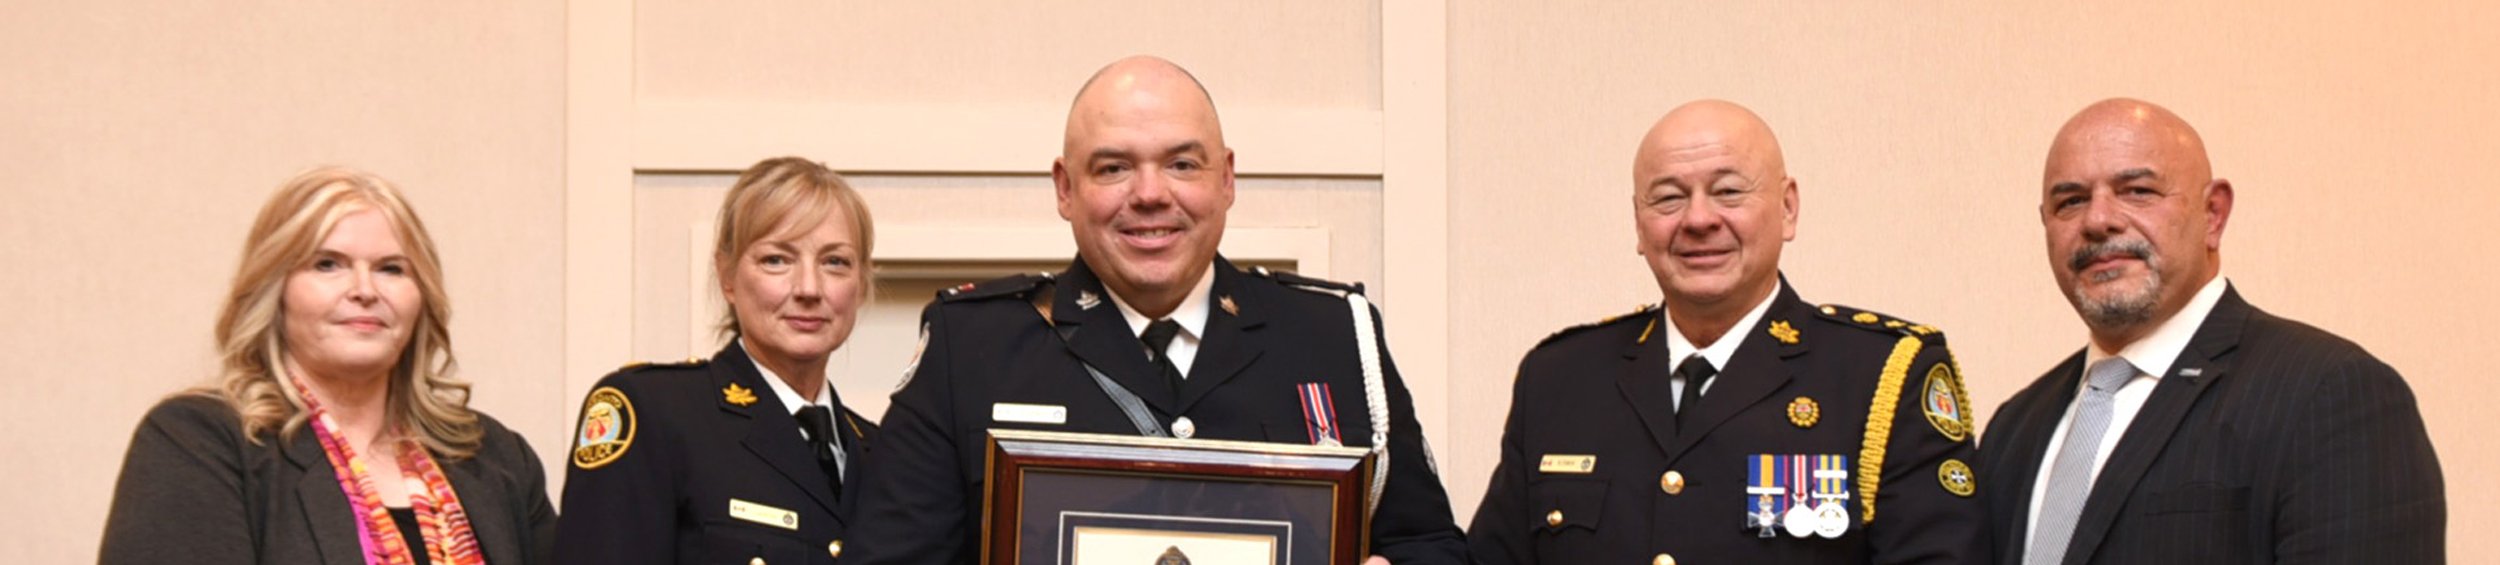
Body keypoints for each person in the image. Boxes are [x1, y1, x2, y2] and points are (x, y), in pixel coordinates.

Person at [840, 55, 1468, 565]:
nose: (1149, 194)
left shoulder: (1332, 335)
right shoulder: (972, 347)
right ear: (1065, 188)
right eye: (1114, 167)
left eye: (1181, 164)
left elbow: (1431, 546)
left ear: (1227, 180)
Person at [1469, 100, 1988, 564]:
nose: (1698, 219)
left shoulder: (1879, 374)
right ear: (1638, 223)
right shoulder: (1561, 378)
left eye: (1728, 192)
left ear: (1787, 207)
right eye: (1669, 198)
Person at [1978, 99, 2443, 564]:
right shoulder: (2014, 429)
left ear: (2213, 215)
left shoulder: (2329, 393)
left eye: (2137, 190)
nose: (2098, 220)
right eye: (2071, 201)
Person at [100, 167, 557, 564]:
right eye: (327, 265)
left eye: (391, 269)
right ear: (274, 291)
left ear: (424, 298)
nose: (364, 289)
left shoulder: (495, 456)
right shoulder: (201, 441)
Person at [555, 157, 879, 564]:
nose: (809, 288)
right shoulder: (654, 414)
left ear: (861, 283)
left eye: (836, 262)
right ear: (726, 275)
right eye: (776, 259)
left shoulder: (883, 455)